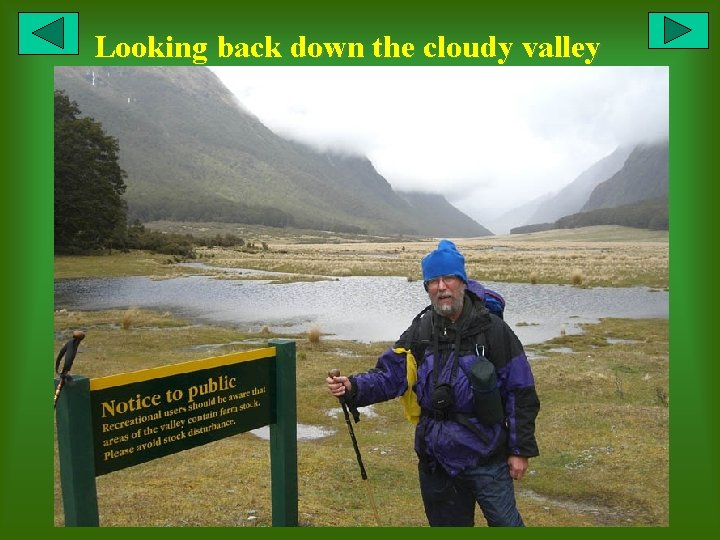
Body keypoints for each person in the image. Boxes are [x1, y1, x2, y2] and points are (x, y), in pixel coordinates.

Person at [326, 239, 540, 527]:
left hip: (487, 457)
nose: (441, 287)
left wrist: (519, 450)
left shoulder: (493, 331)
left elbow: (521, 391)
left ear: (462, 282)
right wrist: (353, 387)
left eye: (448, 278)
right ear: (427, 288)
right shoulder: (421, 330)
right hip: (436, 462)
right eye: (433, 281)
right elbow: (390, 375)